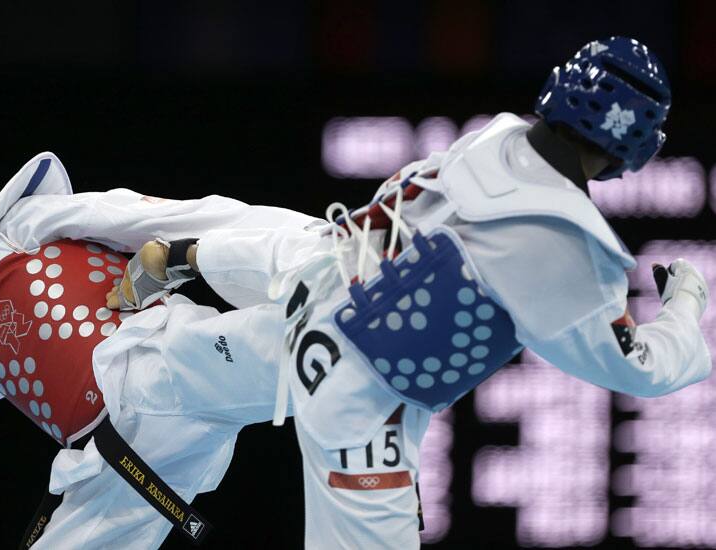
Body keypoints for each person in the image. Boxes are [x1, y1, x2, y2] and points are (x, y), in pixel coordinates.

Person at [113, 36, 712, 548]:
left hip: (314, 301)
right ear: (635, 145)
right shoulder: (569, 246)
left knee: (270, 269)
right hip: (363, 401)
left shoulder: (493, 137)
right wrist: (687, 299)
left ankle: (166, 276)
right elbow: (638, 369)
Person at [0, 143, 318, 548]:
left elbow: (172, 220)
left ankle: (361, 286)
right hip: (115, 464)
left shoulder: (29, 222)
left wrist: (311, 242)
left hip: (160, 362)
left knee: (309, 348)